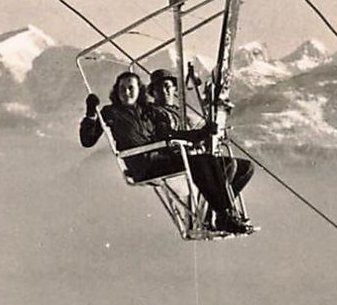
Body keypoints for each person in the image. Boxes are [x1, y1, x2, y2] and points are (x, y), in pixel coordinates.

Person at [80, 71, 251, 235]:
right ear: (116, 92)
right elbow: (88, 140)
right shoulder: (111, 112)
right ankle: (223, 215)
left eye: (130, 87)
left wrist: (202, 133)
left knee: (243, 167)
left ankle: (222, 212)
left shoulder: (148, 111)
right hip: (143, 164)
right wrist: (90, 114)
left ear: (139, 90)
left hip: (160, 158)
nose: (126, 92)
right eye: (122, 88)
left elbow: (170, 134)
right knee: (203, 161)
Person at [148, 69, 253, 217]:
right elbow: (167, 134)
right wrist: (199, 134)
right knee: (223, 166)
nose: (164, 91)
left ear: (174, 89)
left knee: (245, 167)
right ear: (153, 92)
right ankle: (221, 213)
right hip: (173, 157)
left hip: (190, 153)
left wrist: (204, 137)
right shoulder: (154, 112)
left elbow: (189, 132)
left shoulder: (178, 112)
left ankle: (217, 209)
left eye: (167, 86)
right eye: (158, 88)